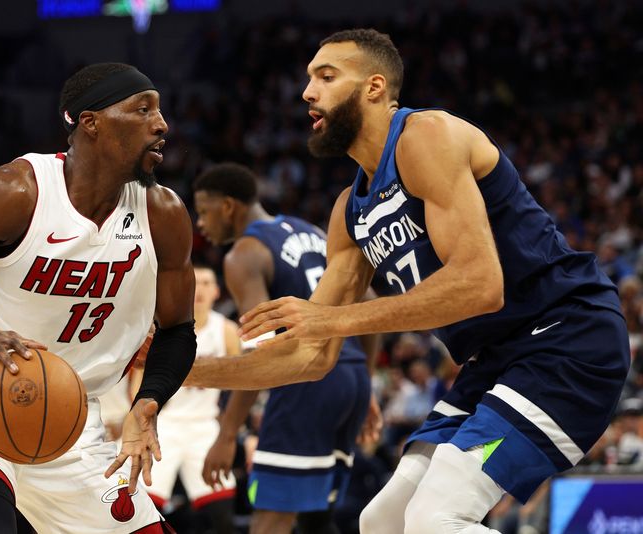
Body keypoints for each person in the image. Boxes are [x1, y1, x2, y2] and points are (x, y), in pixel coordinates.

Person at [185, 29, 630, 533]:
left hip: (566, 336)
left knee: (435, 519)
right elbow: (310, 354)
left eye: (326, 77)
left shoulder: (426, 136)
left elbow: (480, 285)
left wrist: (328, 318)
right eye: (308, 78)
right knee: (382, 523)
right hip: (497, 361)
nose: (307, 92)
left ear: (374, 88)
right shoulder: (348, 214)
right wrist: (188, 373)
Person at [0, 62, 197, 534]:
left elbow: (177, 331)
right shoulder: (13, 192)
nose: (161, 124)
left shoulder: (163, 214)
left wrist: (148, 403)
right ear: (91, 122)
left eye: (159, 110)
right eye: (142, 109)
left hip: (73, 423)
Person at [193, 163, 378, 534]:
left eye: (203, 212)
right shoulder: (310, 231)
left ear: (228, 207)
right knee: (317, 519)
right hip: (350, 376)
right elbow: (369, 299)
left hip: (306, 382)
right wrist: (364, 380)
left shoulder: (243, 254)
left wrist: (228, 434)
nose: (200, 224)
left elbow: (258, 353)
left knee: (271, 519)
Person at [130, 265, 239, 533]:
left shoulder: (226, 330)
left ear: (216, 291)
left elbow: (243, 385)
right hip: (166, 424)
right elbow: (137, 387)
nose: (199, 289)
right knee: (142, 507)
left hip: (206, 426)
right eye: (195, 282)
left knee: (222, 516)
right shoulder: (162, 332)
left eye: (206, 283)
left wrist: (234, 431)